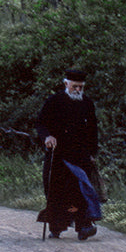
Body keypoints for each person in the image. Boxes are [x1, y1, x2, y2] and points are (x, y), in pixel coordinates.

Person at [36, 68, 101, 240]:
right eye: (75, 86)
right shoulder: (54, 101)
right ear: (66, 84)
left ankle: (83, 226)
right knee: (55, 191)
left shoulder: (87, 103)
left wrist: (93, 152)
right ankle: (56, 228)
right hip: (58, 156)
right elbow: (41, 123)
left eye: (81, 87)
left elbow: (93, 130)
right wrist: (47, 137)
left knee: (81, 191)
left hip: (80, 157)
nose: (78, 90)